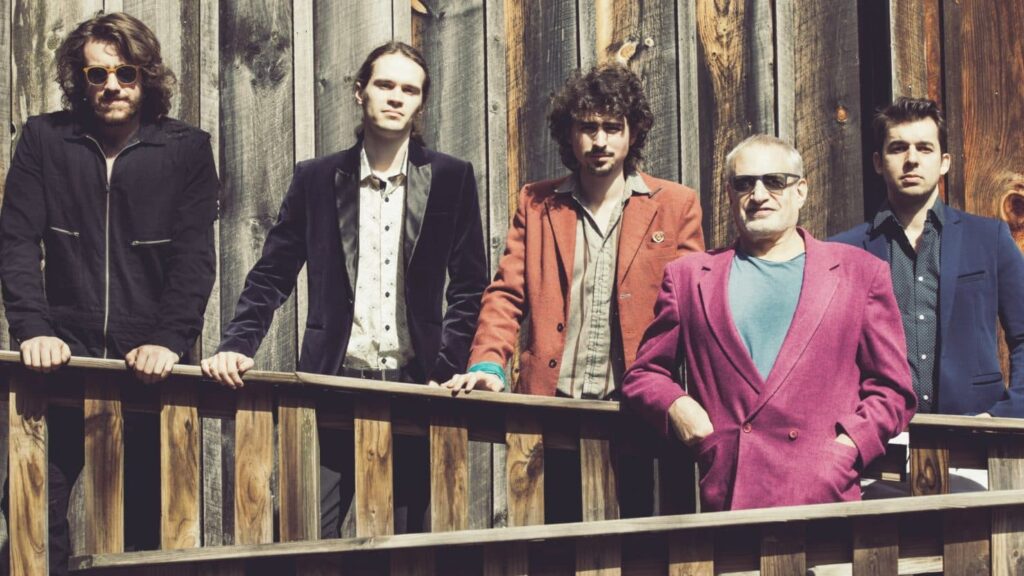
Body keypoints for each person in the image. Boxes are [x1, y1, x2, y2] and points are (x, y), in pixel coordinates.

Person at [202, 42, 488, 536]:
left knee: (411, 544)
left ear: (421, 102)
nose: (396, 97)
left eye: (409, 90)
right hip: (331, 383)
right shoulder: (316, 178)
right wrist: (237, 344)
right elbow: (273, 272)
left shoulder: (450, 177)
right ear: (360, 92)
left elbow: (469, 287)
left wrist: (447, 368)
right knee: (307, 534)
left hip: (418, 386)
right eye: (384, 85)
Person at [0, 12, 218, 572]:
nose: (112, 85)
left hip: (150, 366)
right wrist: (34, 330)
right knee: (30, 509)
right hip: (58, 360)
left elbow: (194, 259)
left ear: (146, 76)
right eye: (97, 74)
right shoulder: (45, 140)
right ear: (81, 80)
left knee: (149, 522)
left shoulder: (187, 149)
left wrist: (168, 341)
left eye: (125, 72)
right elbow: (17, 242)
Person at [441, 64, 703, 522]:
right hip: (551, 409)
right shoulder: (537, 202)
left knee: (638, 543)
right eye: (588, 127)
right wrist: (487, 364)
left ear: (633, 132)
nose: (600, 141)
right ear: (570, 133)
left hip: (636, 411)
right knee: (548, 542)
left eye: (612, 127)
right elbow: (506, 294)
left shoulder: (675, 205)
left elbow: (693, 311)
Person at [622, 134, 916, 511]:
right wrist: (678, 406)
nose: (758, 195)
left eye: (774, 181)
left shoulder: (860, 273)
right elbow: (644, 374)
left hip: (824, 495)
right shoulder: (689, 277)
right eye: (744, 183)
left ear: (801, 191)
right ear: (729, 195)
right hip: (732, 493)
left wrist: (847, 448)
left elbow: (893, 390)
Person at [832, 97, 1024, 419]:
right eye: (898, 148)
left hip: (975, 431)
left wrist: (1008, 412)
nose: (912, 160)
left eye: (924, 148)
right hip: (879, 436)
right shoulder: (844, 251)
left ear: (944, 162)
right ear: (878, 162)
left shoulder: (989, 239)